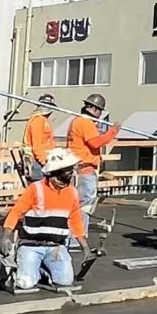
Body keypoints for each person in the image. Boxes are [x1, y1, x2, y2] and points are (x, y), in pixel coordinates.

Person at [1, 145, 85, 289]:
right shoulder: (36, 189)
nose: (72, 172)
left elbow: (76, 221)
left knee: (65, 282)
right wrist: (6, 237)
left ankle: (41, 270)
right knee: (25, 283)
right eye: (68, 169)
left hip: (55, 247)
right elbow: (16, 212)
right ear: (57, 171)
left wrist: (85, 247)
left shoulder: (72, 193)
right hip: (31, 245)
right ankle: (29, 269)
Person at [62, 92, 121, 259]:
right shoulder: (85, 123)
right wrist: (113, 131)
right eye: (100, 111)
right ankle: (77, 239)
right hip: (84, 169)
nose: (100, 114)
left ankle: (74, 238)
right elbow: (96, 142)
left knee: (76, 204)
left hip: (77, 168)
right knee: (84, 206)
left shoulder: (77, 121)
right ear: (95, 109)